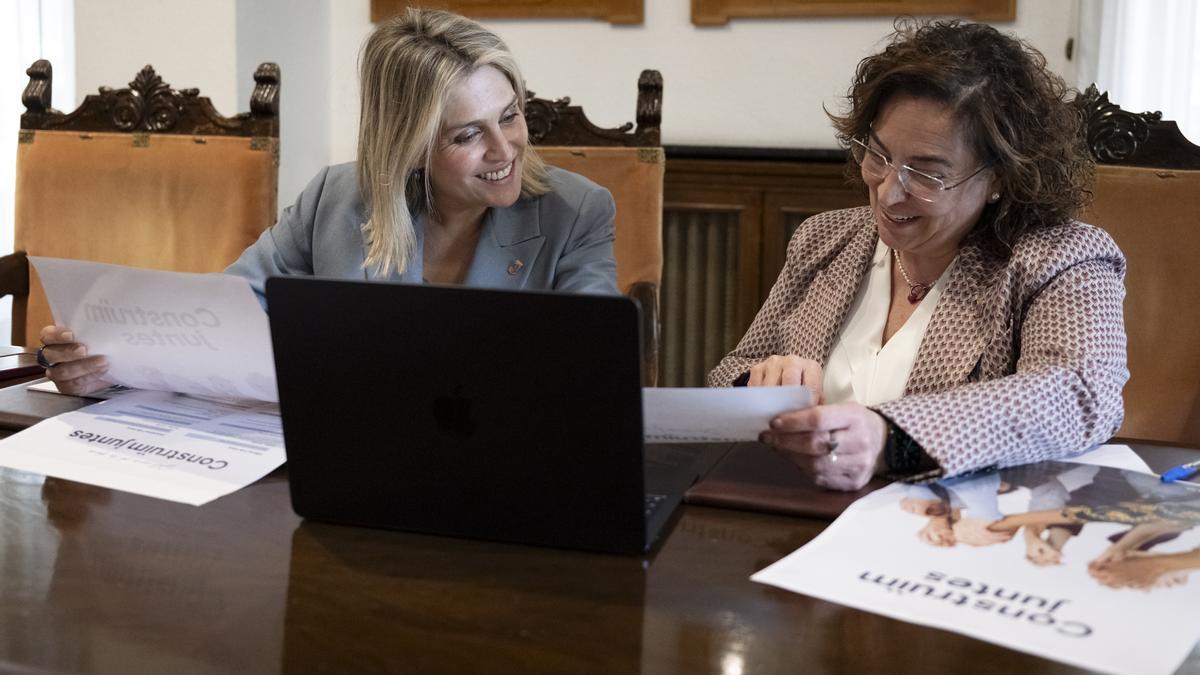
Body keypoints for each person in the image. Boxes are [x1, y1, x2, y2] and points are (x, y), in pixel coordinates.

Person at [37, 8, 619, 395]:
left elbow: (591, 373)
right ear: (410, 148)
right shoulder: (335, 198)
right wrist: (105, 365)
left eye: (510, 116)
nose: (506, 148)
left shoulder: (578, 212)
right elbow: (221, 318)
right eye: (467, 135)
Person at [707, 20, 1128, 491]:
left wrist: (889, 438)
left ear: (1000, 178)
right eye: (879, 156)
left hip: (953, 536)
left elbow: (1080, 396)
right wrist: (761, 388)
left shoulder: (1060, 259)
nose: (888, 194)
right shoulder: (823, 239)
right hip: (799, 516)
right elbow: (731, 371)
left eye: (926, 174)